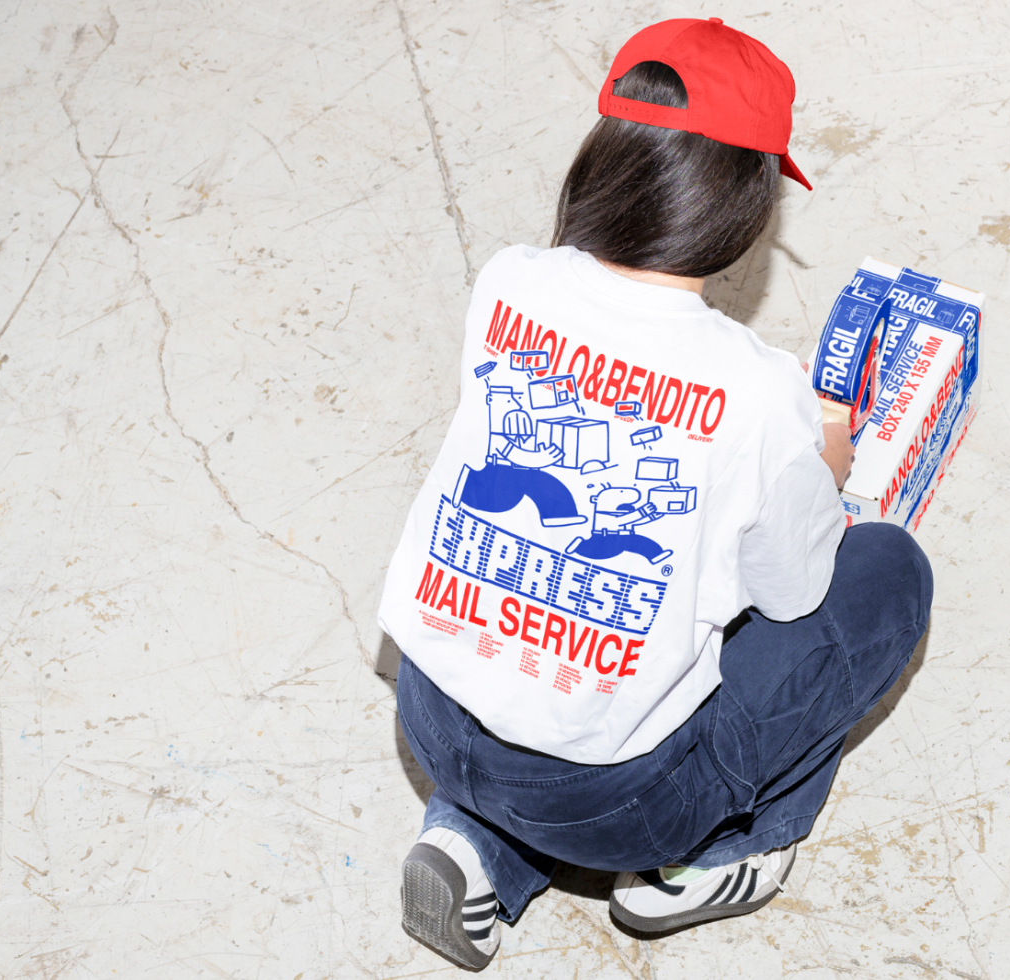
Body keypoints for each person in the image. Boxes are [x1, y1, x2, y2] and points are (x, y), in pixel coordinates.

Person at [376, 17, 933, 970]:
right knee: (884, 571)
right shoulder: (757, 390)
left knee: (557, 667)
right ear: (744, 205)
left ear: (604, 158)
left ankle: (474, 844)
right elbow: (792, 596)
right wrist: (819, 471)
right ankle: (715, 857)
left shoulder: (507, 281)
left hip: (430, 710)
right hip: (612, 802)